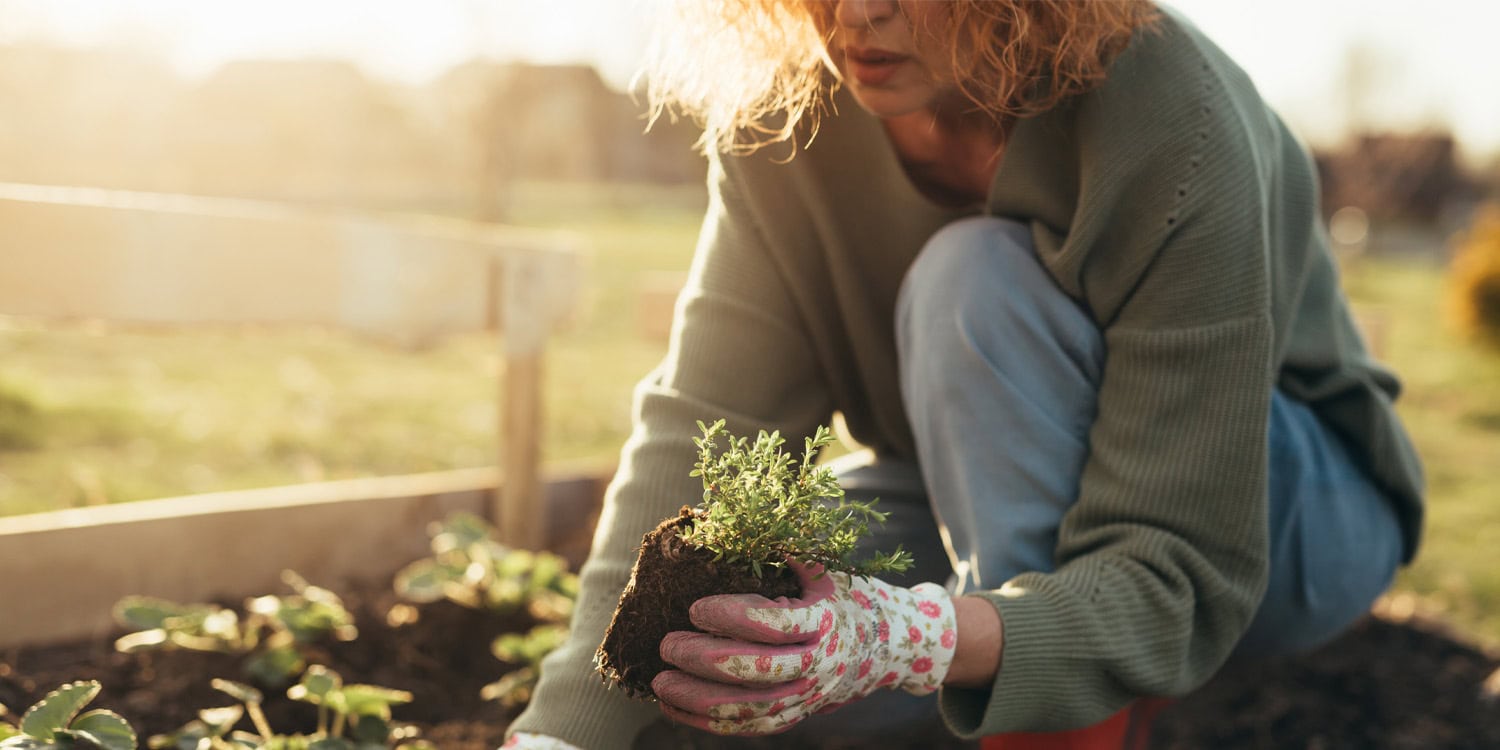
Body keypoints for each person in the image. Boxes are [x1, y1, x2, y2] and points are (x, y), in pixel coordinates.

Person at [505, 1, 1425, 748]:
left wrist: (913, 638)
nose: (858, 15)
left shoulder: (1170, 115)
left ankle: (1070, 729)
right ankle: (1036, 659)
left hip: (1278, 523)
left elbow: (1182, 567)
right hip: (970, 501)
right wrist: (566, 733)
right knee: (728, 645)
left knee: (975, 282)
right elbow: (701, 433)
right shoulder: (786, 115)